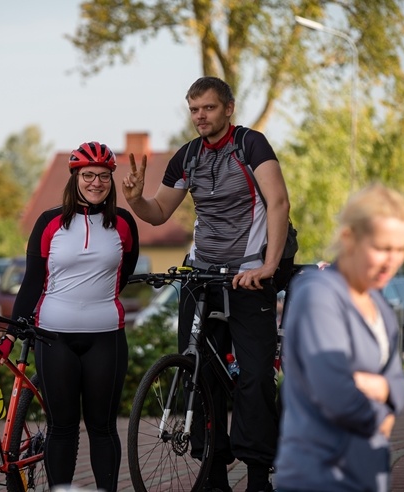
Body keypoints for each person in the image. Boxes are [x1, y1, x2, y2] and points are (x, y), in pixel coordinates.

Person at [122, 76, 290, 492]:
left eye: (209, 108)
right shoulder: (187, 157)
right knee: (200, 374)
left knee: (253, 378)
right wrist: (135, 199)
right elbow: (159, 212)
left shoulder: (251, 146)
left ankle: (257, 476)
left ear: (228, 108)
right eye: (194, 109)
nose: (200, 116)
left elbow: (280, 202)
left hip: (248, 275)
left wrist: (268, 267)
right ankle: (213, 473)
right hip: (202, 275)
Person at [0, 141, 139, 492]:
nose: (96, 182)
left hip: (106, 335)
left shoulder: (122, 224)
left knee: (103, 427)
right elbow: (32, 281)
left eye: (104, 176)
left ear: (111, 181)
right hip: (53, 336)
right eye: (88, 175)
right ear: (74, 178)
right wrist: (13, 333)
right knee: (62, 426)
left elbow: (124, 274)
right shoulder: (49, 223)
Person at [273, 183, 404, 492]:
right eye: (381, 248)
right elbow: (336, 395)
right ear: (350, 239)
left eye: (400, 249)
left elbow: (400, 383)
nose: (392, 261)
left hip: (365, 473)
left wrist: (382, 386)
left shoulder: (377, 301)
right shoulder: (319, 295)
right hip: (317, 474)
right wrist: (382, 415)